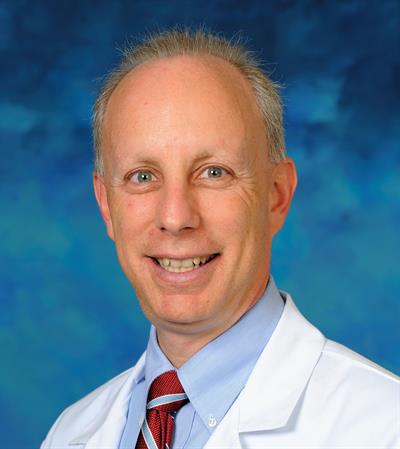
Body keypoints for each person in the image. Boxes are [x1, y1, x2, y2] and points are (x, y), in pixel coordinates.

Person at [41, 29, 399, 449]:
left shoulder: (382, 425)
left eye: (214, 173)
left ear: (276, 195)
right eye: (143, 177)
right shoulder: (70, 433)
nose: (176, 218)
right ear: (106, 205)